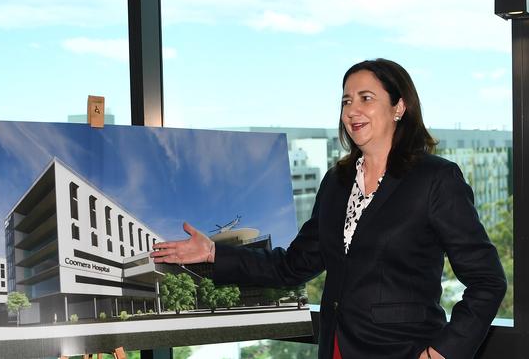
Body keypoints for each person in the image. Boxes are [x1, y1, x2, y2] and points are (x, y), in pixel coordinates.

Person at [151, 58, 507, 359]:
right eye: (346, 101)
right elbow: (291, 267)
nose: (352, 111)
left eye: (366, 98)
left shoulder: (436, 178)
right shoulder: (336, 182)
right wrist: (213, 251)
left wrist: (445, 351)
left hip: (405, 349)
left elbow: (488, 280)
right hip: (336, 347)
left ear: (399, 107)